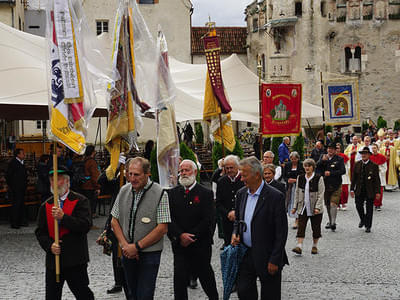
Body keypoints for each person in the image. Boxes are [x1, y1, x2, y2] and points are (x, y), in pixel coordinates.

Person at [111, 157, 170, 300]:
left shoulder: (160, 193)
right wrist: (125, 246)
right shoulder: (124, 190)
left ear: (147, 174)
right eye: (129, 174)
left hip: (150, 253)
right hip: (127, 253)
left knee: (144, 295)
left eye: (136, 174)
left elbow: (162, 228)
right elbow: (114, 221)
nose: (132, 178)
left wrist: (136, 247)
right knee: (131, 294)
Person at [231, 156, 288, 300]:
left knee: (270, 295)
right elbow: (238, 221)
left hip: (267, 255)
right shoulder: (241, 194)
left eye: (244, 175)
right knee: (244, 291)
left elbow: (281, 232)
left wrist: (275, 259)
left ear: (257, 175)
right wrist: (235, 233)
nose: (241, 179)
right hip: (246, 254)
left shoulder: (275, 197)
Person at [35, 165, 94, 300]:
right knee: (52, 296)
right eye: (51, 180)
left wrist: (64, 218)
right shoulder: (46, 205)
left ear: (67, 181)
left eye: (59, 179)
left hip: (75, 260)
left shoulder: (80, 201)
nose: (54, 183)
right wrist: (50, 245)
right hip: (54, 261)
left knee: (83, 294)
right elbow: (40, 232)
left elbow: (85, 225)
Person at [168, 159, 219, 300]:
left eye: (187, 170)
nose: (183, 173)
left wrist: (191, 236)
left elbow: (208, 219)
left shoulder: (205, 193)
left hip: (200, 244)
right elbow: (169, 219)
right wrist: (180, 236)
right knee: (179, 279)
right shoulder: (172, 194)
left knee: (206, 276)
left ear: (195, 172)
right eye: (181, 170)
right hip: (180, 245)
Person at [291, 158, 325, 255]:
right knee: (301, 226)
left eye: (309, 166)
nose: (307, 168)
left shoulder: (319, 178)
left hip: (315, 207)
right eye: (305, 166)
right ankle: (299, 246)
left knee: (316, 227)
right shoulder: (300, 178)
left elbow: (321, 194)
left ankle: (314, 246)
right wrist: (294, 206)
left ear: (313, 167)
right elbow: (297, 193)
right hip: (303, 206)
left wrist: (318, 207)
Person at [350, 147, 381, 233]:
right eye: (362, 153)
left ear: (369, 155)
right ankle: (363, 219)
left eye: (365, 153)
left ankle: (368, 226)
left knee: (369, 208)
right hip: (359, 189)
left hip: (370, 190)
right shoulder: (357, 164)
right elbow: (354, 178)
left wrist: (378, 192)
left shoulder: (374, 166)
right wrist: (352, 189)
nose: (363, 155)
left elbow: (377, 180)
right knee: (358, 205)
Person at [216, 155, 244, 247]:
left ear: (238, 167)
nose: (229, 170)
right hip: (227, 220)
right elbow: (218, 202)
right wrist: (228, 213)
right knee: (229, 247)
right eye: (226, 168)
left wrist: (237, 213)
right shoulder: (221, 181)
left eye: (231, 167)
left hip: (243, 221)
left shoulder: (244, 180)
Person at [317, 142, 345, 232]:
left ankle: (333, 223)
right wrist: (322, 161)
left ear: (335, 150)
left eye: (332, 149)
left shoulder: (339, 159)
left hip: (336, 184)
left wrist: (331, 173)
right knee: (328, 204)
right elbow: (316, 167)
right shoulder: (323, 157)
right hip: (325, 185)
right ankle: (330, 220)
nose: (330, 150)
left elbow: (342, 171)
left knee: (334, 203)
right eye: (328, 149)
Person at [6, 148, 28, 229]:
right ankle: (14, 223)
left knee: (21, 204)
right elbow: (8, 176)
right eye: (22, 153)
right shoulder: (13, 163)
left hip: (21, 188)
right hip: (15, 188)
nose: (24, 154)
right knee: (16, 205)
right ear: (18, 155)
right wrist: (13, 186)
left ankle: (21, 221)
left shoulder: (21, 162)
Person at [283, 151, 304, 229]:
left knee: (298, 202)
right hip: (290, 187)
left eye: (295, 159)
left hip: (300, 187)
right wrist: (288, 180)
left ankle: (297, 220)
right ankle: (293, 216)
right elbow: (284, 176)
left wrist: (296, 180)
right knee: (290, 202)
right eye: (292, 159)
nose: (293, 160)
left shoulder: (302, 165)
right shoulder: (287, 165)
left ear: (298, 159)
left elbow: (304, 176)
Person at [80, 145, 100, 218]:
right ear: (93, 152)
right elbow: (95, 176)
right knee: (91, 202)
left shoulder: (84, 160)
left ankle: (86, 215)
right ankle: (91, 215)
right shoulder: (92, 162)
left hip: (83, 184)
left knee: (86, 202)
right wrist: (97, 187)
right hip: (90, 186)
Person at [370, 144, 387, 211]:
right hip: (372, 176)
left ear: (377, 148)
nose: (374, 149)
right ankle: (372, 203)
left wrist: (380, 169)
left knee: (379, 191)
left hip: (380, 175)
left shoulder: (382, 157)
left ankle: (378, 204)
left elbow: (385, 168)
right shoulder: (370, 157)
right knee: (371, 190)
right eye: (373, 148)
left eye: (375, 148)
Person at [336, 143, 350, 211]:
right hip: (336, 175)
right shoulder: (333, 156)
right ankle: (338, 203)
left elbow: (348, 165)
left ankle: (344, 203)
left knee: (344, 190)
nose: (337, 150)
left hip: (344, 175)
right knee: (337, 190)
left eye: (338, 148)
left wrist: (346, 171)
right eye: (336, 148)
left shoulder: (344, 156)